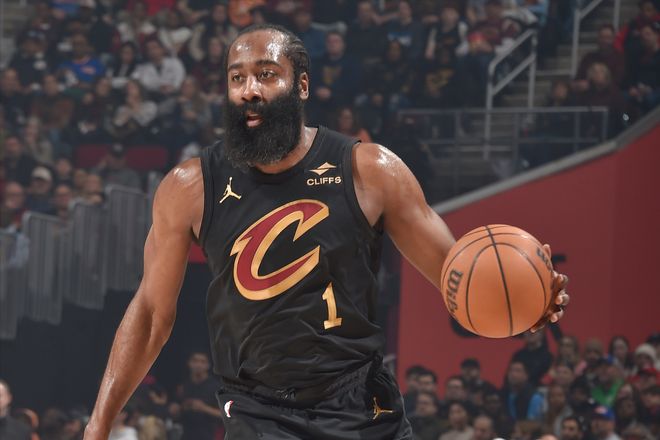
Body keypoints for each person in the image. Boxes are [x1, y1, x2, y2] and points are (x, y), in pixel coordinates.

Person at [83, 23, 569, 440]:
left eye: (266, 74)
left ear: (302, 86)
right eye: (237, 78)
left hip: (362, 404)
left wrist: (523, 303)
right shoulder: (190, 187)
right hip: (259, 410)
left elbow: (457, 276)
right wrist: (98, 425)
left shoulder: (370, 170)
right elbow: (151, 314)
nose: (249, 89)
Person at [170, 351, 221, 440]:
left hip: (209, 434)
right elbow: (175, 412)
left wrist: (204, 408)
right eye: (195, 361)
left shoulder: (216, 387)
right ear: (189, 363)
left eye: (202, 362)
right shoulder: (183, 386)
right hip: (185, 433)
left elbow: (226, 415)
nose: (198, 365)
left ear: (208, 365)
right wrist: (177, 408)